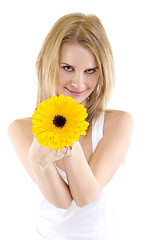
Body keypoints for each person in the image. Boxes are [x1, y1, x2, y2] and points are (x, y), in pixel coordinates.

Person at [8, 13, 134, 239]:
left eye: (90, 71)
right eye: (67, 68)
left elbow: (85, 196)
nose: (78, 82)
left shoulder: (118, 123)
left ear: (102, 72)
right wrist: (38, 161)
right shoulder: (21, 129)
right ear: (48, 64)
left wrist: (67, 132)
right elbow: (62, 202)